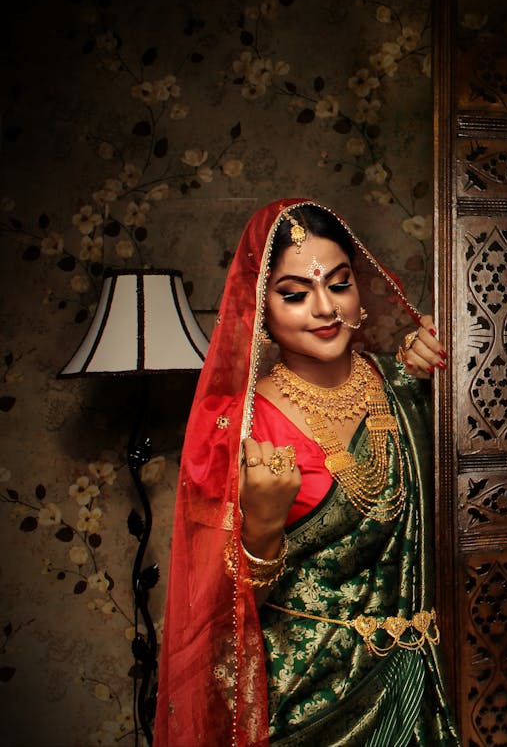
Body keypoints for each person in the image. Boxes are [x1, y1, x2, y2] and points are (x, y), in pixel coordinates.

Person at [155, 199, 460, 747]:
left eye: (339, 285)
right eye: (294, 294)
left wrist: (451, 360)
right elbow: (213, 617)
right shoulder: (239, 427)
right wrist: (264, 527)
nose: (324, 308)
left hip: (415, 688)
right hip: (305, 701)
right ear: (260, 309)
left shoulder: (405, 384)